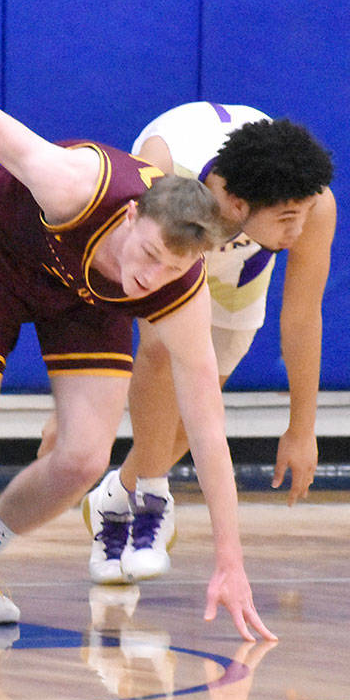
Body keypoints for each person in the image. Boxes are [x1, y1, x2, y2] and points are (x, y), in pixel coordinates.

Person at [0, 66, 276, 642]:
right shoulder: (75, 184)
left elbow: (208, 431)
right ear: (132, 216)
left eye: (173, 267)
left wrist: (230, 561)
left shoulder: (179, 291)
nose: (152, 276)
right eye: (150, 253)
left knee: (84, 459)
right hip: (2, 260)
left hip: (86, 301)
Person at [76, 103, 334, 585]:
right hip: (173, 241)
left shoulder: (312, 203)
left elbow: (302, 318)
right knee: (159, 351)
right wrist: (79, 400)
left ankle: (115, 495)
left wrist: (302, 428)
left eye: (300, 216)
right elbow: (104, 273)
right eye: (286, 219)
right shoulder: (163, 169)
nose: (297, 231)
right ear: (237, 205)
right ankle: (152, 501)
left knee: (196, 407)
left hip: (238, 269)